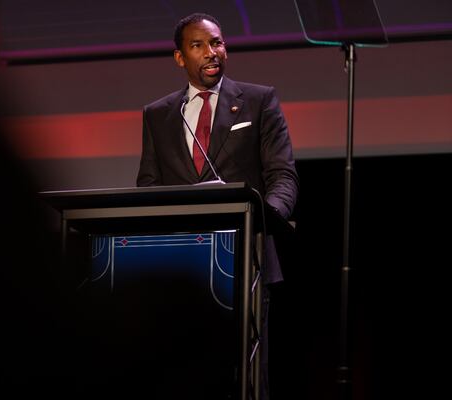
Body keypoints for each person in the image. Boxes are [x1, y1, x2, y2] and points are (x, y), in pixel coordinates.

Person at [136, 12, 299, 400]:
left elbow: (283, 176)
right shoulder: (158, 114)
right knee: (185, 373)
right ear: (180, 58)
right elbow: (148, 184)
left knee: (245, 374)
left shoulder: (259, 100)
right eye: (198, 45)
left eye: (218, 42)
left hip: (247, 258)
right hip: (180, 266)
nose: (212, 53)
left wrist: (265, 217)